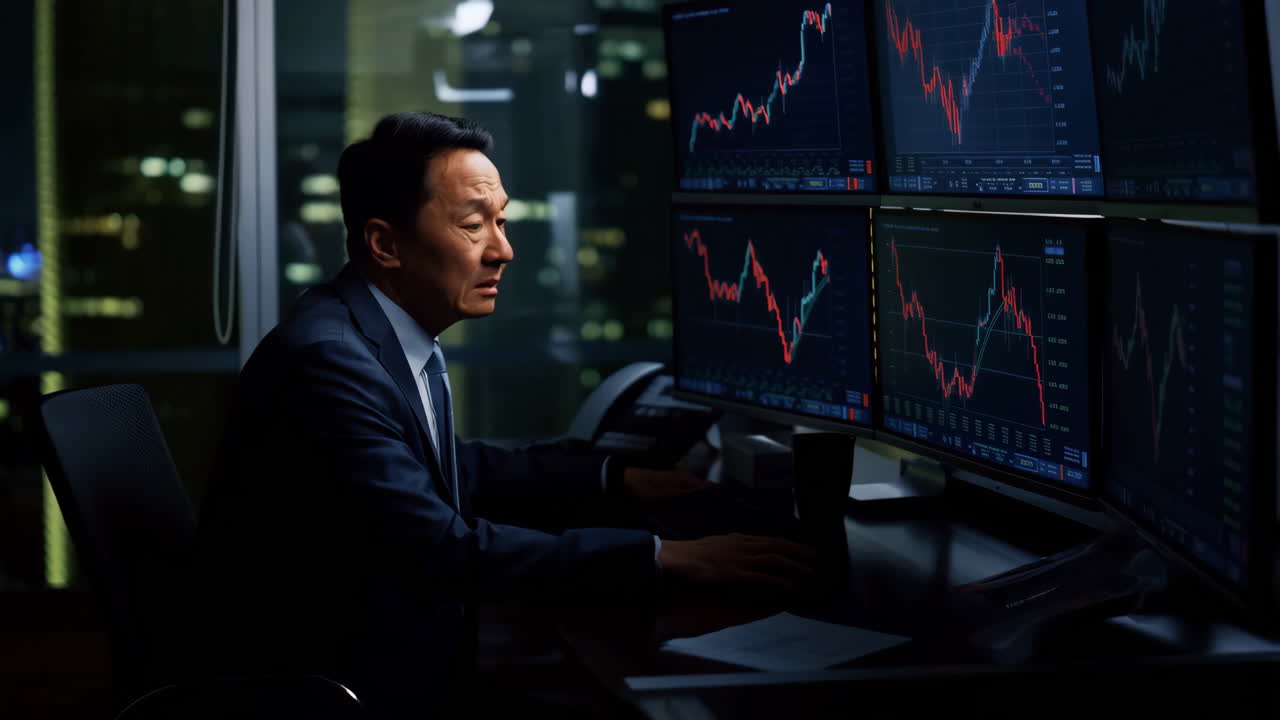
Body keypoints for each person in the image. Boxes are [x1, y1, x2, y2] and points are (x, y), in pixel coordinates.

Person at [194, 111, 814, 717]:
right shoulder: (328, 364)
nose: (504, 250)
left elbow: (444, 467)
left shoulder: (370, 333)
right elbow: (445, 552)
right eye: (474, 225)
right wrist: (664, 555)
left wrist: (612, 478)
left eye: (502, 220)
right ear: (385, 243)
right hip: (352, 682)